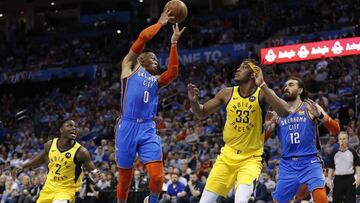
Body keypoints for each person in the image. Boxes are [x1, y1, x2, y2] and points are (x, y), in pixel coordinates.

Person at [187, 59, 291, 203]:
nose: (238, 69)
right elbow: (202, 113)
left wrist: (263, 84)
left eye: (243, 67)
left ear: (252, 74)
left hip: (251, 158)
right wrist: (193, 101)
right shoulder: (227, 93)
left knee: (240, 200)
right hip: (227, 155)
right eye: (239, 66)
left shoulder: (262, 93)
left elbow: (285, 111)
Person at [115, 9, 186, 203]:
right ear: (141, 59)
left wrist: (173, 43)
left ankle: (152, 200)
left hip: (147, 127)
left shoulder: (156, 80)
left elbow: (172, 72)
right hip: (127, 126)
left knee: (157, 177)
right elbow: (143, 37)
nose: (156, 61)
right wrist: (161, 23)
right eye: (153, 58)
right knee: (125, 178)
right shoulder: (129, 66)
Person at [266, 77, 340, 203]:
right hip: (288, 165)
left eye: (291, 85)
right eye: (285, 85)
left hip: (310, 162)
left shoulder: (310, 107)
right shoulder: (278, 113)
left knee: (321, 198)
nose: (286, 87)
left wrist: (321, 116)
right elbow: (259, 141)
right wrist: (268, 128)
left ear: (300, 90)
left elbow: (336, 130)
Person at [16, 119, 100, 203]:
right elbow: (41, 159)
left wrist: (95, 176)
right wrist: (23, 166)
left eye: (75, 127)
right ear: (61, 129)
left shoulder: (81, 151)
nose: (74, 128)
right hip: (49, 187)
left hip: (66, 190)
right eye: (70, 125)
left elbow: (93, 171)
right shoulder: (50, 145)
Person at [328, 131, 360, 203]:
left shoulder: (352, 152)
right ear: (338, 140)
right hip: (338, 180)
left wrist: (359, 178)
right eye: (340, 139)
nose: (342, 141)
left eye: (344, 139)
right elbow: (331, 167)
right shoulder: (334, 153)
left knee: (351, 201)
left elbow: (357, 165)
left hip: (350, 179)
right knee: (336, 200)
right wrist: (329, 180)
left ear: (347, 140)